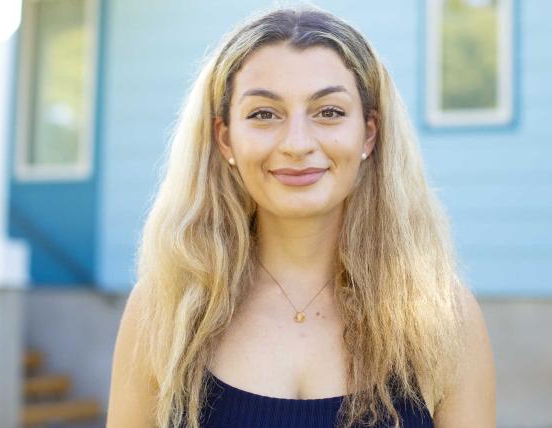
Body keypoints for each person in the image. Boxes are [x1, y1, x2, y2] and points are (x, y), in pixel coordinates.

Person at [107, 6, 495, 428]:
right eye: (264, 114)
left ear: (368, 133)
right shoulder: (163, 309)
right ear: (225, 139)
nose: (296, 143)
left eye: (328, 111)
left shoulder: (442, 316)